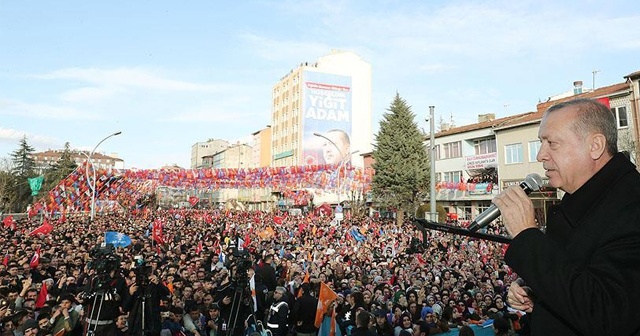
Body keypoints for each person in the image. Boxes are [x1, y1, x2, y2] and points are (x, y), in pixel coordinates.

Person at [494, 98, 640, 335]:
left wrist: (527, 235)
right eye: (541, 143)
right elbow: (579, 279)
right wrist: (537, 292)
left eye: (552, 143)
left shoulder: (632, 205)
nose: (541, 155)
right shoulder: (579, 202)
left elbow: (606, 313)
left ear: (595, 146)